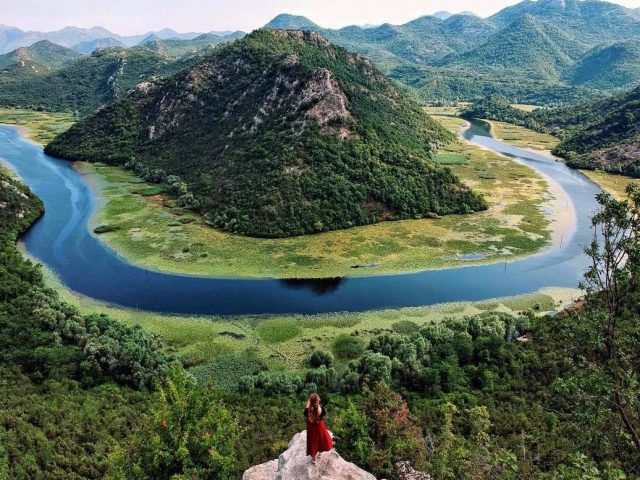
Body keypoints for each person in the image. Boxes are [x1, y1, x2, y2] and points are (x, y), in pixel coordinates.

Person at [304, 393, 333, 463]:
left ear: (310, 401)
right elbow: (323, 414)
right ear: (318, 400)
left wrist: (308, 405)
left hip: (311, 428)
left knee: (313, 442)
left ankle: (313, 458)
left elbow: (305, 414)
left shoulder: (308, 410)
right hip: (319, 426)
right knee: (321, 439)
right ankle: (320, 452)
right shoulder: (321, 408)